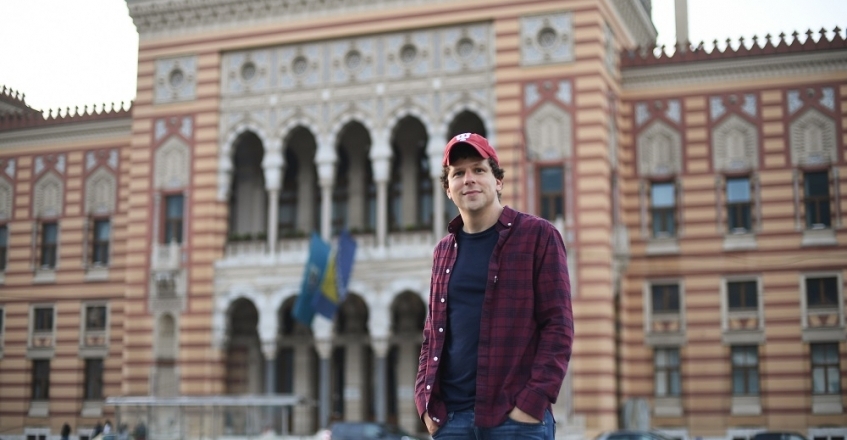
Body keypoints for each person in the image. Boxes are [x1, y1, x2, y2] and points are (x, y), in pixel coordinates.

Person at [414, 133, 574, 439]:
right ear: (448, 189)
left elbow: (559, 327)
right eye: (458, 174)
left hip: (515, 421)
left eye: (479, 169)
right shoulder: (444, 251)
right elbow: (432, 335)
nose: (469, 179)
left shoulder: (538, 236)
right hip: (452, 421)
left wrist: (531, 403)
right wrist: (425, 403)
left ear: (497, 180)